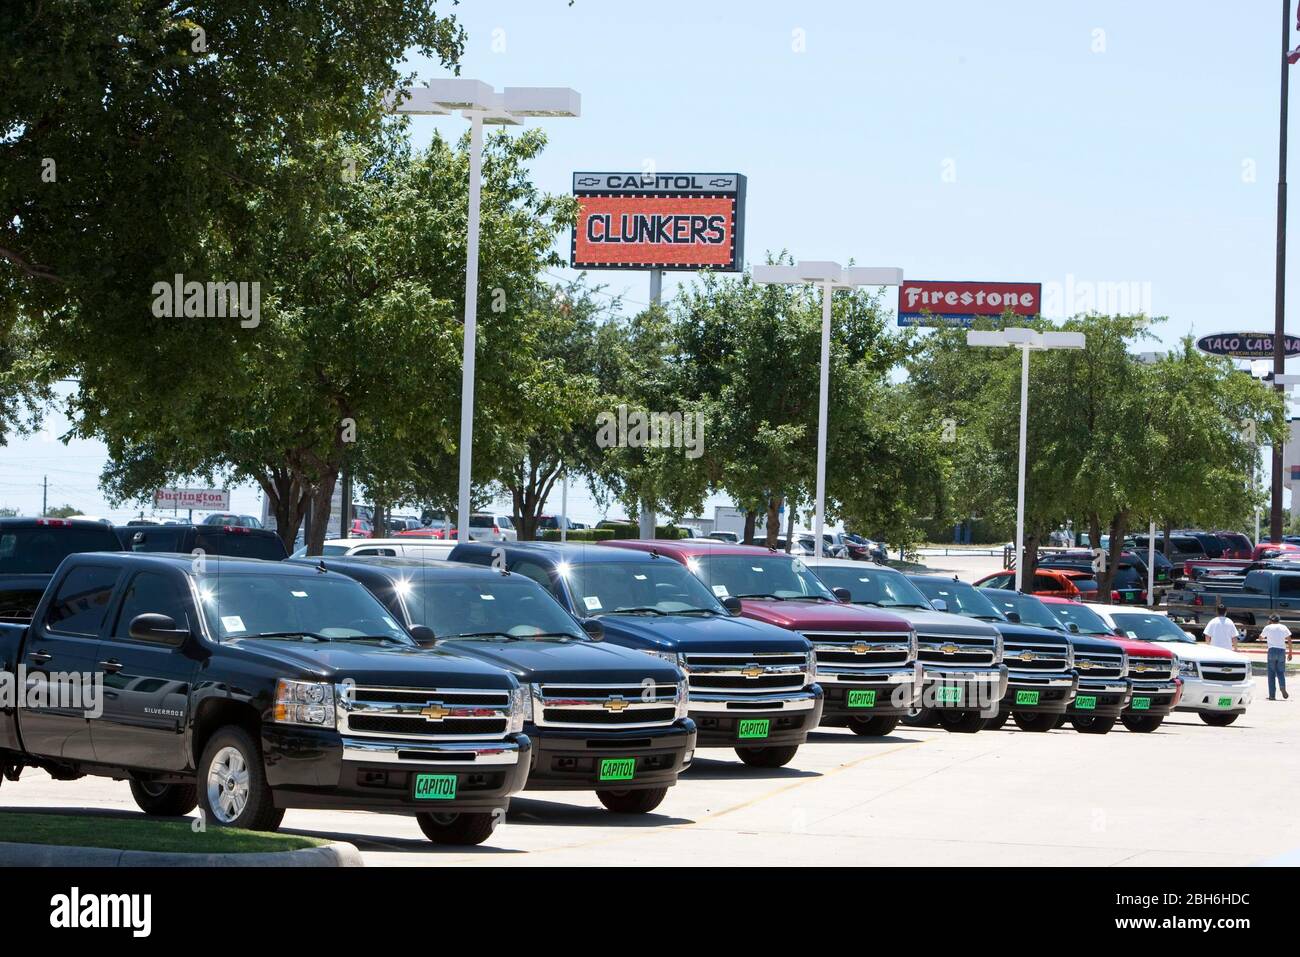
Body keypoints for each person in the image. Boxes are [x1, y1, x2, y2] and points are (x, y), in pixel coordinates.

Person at [1260, 613, 1293, 701]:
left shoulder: (1268, 627)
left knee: (1271, 673)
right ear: (1278, 620)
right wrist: (1290, 652)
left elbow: (1261, 638)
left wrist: (1267, 627)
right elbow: (1289, 640)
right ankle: (1282, 687)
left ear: (1270, 620)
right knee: (1281, 672)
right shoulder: (1283, 627)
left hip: (1272, 650)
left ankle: (1272, 695)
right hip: (1282, 651)